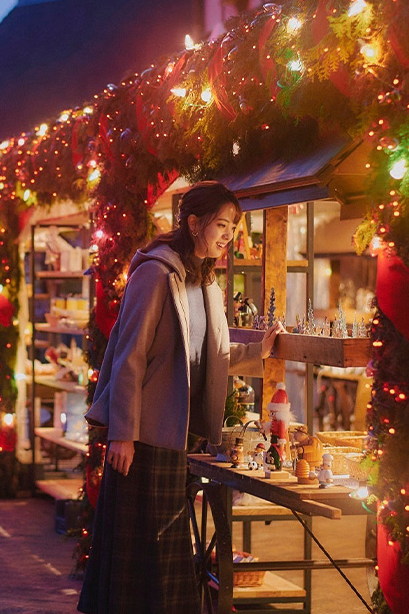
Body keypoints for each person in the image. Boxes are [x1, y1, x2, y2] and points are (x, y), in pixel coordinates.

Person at [79, 180, 283, 613]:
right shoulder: (155, 273)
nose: (229, 235)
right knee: (143, 556)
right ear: (194, 223)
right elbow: (129, 356)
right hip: (145, 439)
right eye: (222, 225)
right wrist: (122, 435)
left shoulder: (206, 281)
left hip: (181, 437)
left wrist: (258, 352)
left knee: (166, 554)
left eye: (233, 226)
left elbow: (211, 353)